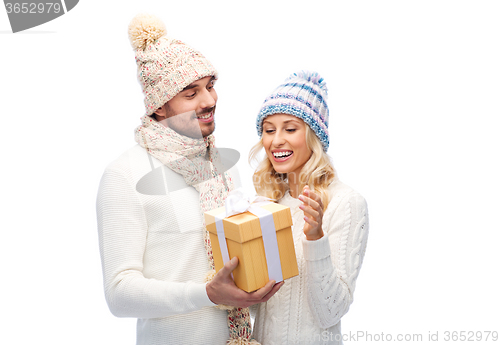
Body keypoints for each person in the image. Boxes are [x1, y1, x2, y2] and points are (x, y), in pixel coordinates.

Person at [96, 14, 281, 345]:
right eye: (190, 92)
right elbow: (119, 293)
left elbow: (235, 267)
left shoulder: (222, 168)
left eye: (210, 86)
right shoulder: (125, 175)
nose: (209, 100)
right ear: (160, 106)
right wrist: (207, 294)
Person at [249, 71, 369, 344]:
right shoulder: (269, 202)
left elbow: (331, 312)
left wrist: (314, 237)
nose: (276, 140)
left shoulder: (346, 203)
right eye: (269, 130)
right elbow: (259, 307)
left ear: (314, 137)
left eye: (290, 128)